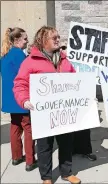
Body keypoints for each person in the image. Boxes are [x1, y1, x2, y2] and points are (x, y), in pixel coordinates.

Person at [13, 26, 81, 184]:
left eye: (58, 36)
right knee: (44, 147)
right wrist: (24, 100)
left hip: (64, 113)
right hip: (42, 114)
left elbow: (75, 81)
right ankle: (47, 178)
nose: (58, 39)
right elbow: (20, 84)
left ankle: (66, 172)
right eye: (54, 37)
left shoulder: (64, 60)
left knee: (66, 143)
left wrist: (84, 96)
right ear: (43, 41)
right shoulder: (30, 61)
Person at [1, 27, 37, 171]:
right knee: (28, 128)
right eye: (25, 38)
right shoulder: (19, 56)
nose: (27, 41)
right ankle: (30, 160)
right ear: (17, 40)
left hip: (10, 100)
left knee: (15, 127)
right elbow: (29, 75)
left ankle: (16, 157)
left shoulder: (4, 55)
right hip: (21, 99)